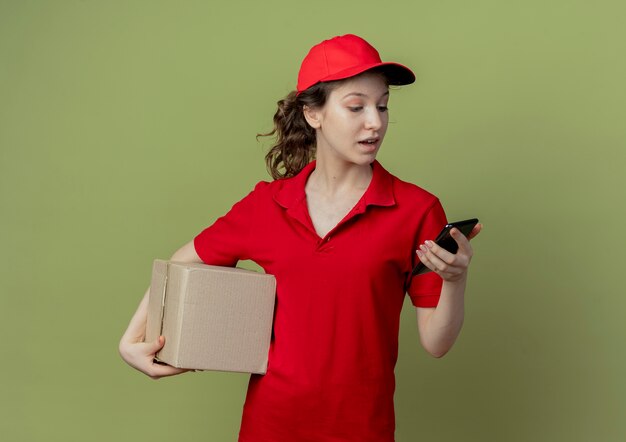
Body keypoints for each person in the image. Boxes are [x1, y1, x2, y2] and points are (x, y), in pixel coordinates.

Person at [119, 34, 482, 442]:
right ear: (313, 114)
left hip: (362, 429)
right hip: (269, 426)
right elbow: (181, 264)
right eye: (356, 106)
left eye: (382, 106)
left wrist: (455, 280)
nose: (375, 122)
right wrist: (133, 339)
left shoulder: (416, 209)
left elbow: (436, 343)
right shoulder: (268, 204)